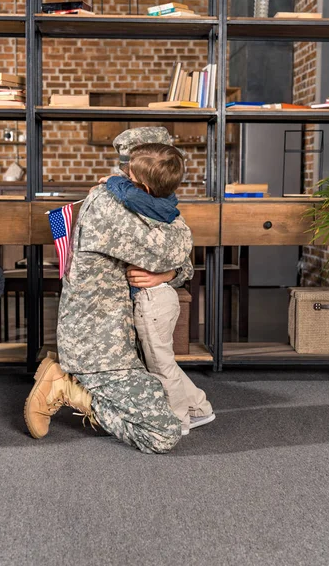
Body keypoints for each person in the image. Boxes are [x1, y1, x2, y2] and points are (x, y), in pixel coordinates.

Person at [24, 128, 194, 454]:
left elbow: (179, 262)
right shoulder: (111, 204)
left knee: (173, 397)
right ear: (137, 168)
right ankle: (70, 389)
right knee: (163, 433)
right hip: (102, 350)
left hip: (126, 341)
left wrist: (168, 274)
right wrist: (172, 267)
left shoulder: (142, 203)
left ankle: (75, 381)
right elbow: (178, 245)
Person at [101, 141, 215, 436]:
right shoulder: (164, 204)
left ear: (146, 190)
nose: (125, 176)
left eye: (131, 175)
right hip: (158, 300)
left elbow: (126, 195)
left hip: (154, 304)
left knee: (160, 368)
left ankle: (176, 421)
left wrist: (112, 182)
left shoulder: (156, 211)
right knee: (164, 363)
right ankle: (199, 407)